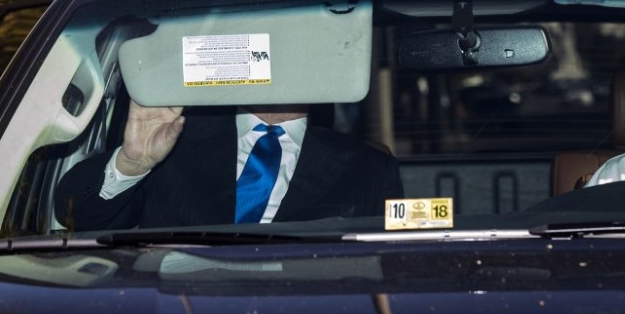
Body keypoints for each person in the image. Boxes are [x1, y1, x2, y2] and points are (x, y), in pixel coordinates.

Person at [55, 101, 403, 231]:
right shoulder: (170, 142)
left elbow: (390, 268)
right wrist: (133, 162)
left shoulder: (369, 167)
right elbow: (75, 216)